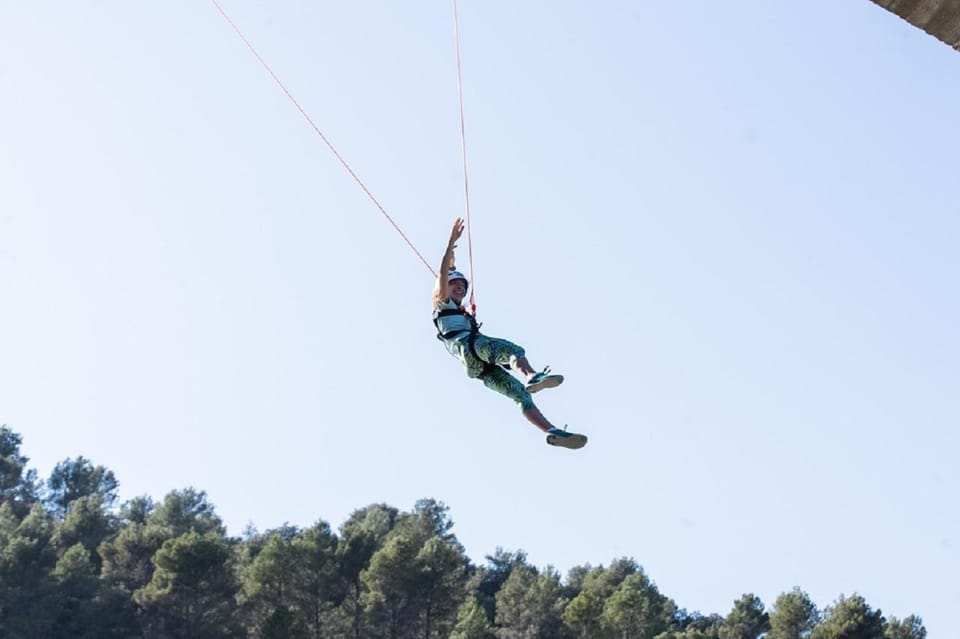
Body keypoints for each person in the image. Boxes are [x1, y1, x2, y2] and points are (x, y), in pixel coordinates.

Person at [432, 218, 587, 449]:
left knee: (520, 396)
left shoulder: (456, 310)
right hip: (471, 347)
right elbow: (444, 270)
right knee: (512, 351)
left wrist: (454, 253)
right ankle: (532, 376)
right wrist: (450, 242)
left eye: (463, 285)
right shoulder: (442, 303)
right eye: (456, 284)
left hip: (476, 369)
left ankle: (551, 432)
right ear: (445, 287)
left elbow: (450, 267)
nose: (461, 288)